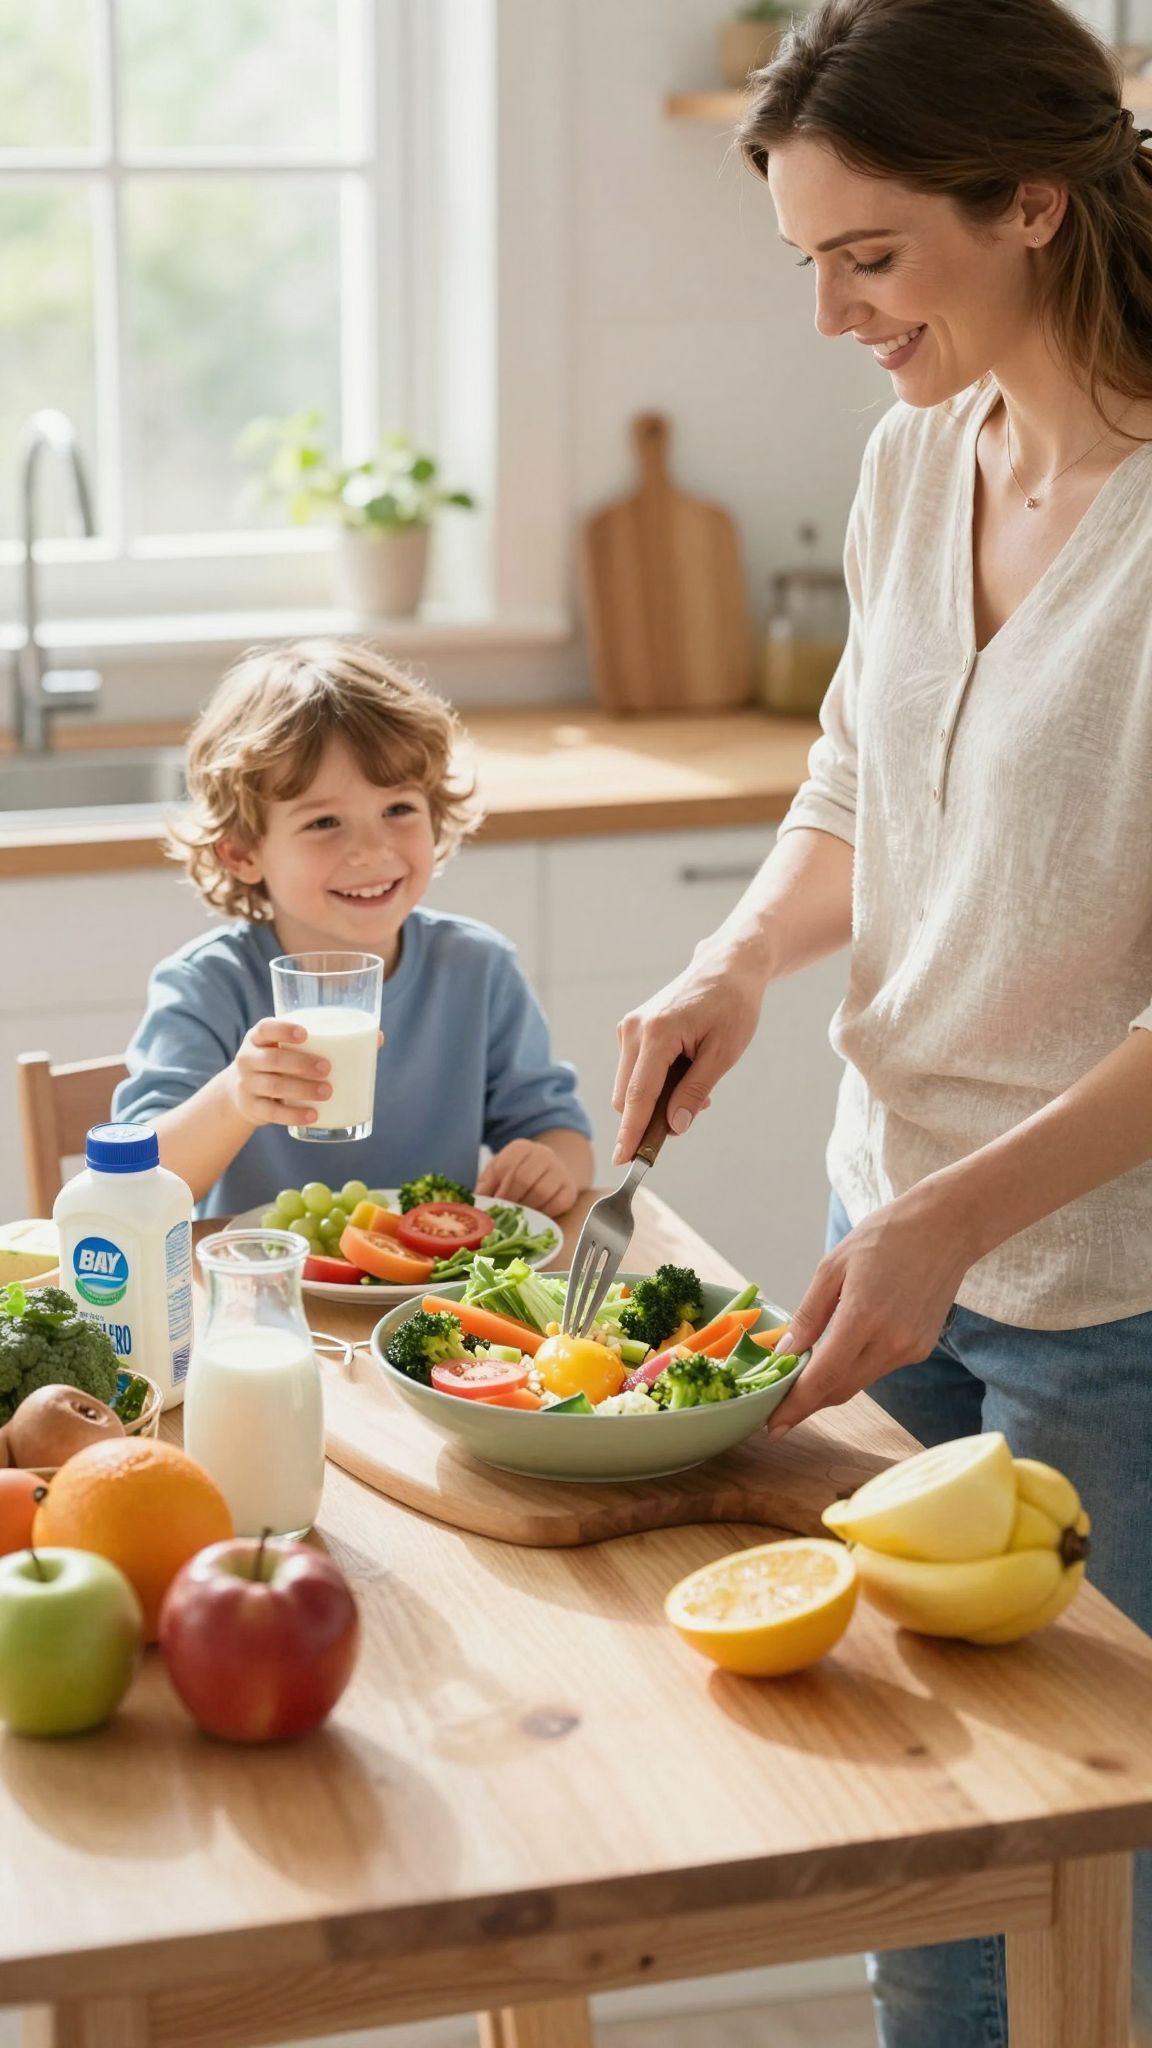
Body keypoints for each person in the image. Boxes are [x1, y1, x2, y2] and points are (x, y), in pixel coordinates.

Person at [611, 1, 1152, 2040]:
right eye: (807, 263)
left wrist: (953, 1224)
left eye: (872, 258)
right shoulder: (921, 456)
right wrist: (736, 959)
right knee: (919, 1856)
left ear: (1029, 202)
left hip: (1115, 1309)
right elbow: (858, 776)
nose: (835, 315)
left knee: (1095, 1879)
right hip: (894, 1243)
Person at [114, 639, 594, 1218]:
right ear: (242, 852)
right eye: (324, 822)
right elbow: (135, 1182)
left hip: (427, 1291)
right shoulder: (208, 984)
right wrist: (236, 1098)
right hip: (263, 1292)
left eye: (398, 810)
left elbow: (559, 1133)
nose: (372, 849)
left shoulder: (477, 967)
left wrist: (551, 1164)